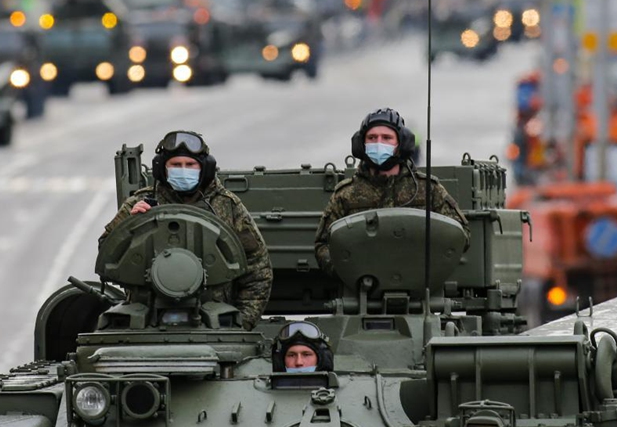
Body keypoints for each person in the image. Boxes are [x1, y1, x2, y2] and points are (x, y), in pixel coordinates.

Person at [99, 130, 273, 330]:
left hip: (214, 325)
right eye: (175, 165)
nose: (183, 170)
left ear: (205, 168)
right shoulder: (139, 203)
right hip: (145, 324)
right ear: (161, 168)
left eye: (190, 165)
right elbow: (107, 256)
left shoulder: (227, 206)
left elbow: (258, 269)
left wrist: (241, 323)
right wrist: (129, 226)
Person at [314, 108, 470, 276]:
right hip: (363, 288)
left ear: (401, 144)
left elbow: (461, 235)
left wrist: (431, 267)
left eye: (387, 138)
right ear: (362, 144)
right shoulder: (346, 194)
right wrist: (350, 272)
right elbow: (322, 246)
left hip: (419, 286)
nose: (379, 143)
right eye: (372, 138)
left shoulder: (428, 190)